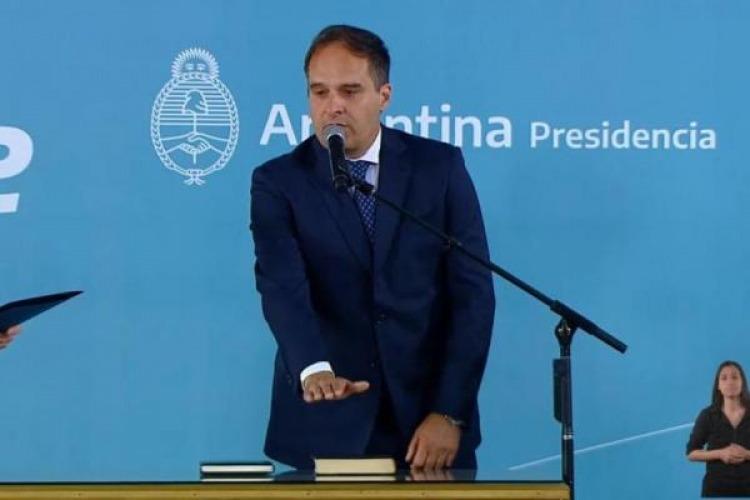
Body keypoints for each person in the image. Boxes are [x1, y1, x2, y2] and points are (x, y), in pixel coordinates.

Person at [250, 24, 495, 471]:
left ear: (384, 95)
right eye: (319, 92)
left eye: (349, 91)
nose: (333, 106)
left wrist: (449, 412)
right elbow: (282, 287)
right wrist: (314, 370)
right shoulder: (278, 182)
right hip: (328, 415)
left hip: (428, 424)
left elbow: (473, 296)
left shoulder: (438, 168)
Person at [687, 360, 750, 497]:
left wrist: (746, 454)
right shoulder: (707, 415)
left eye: (735, 377)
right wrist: (721, 453)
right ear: (718, 386)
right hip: (716, 491)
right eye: (724, 378)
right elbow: (691, 453)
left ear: (743, 383)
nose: (730, 382)